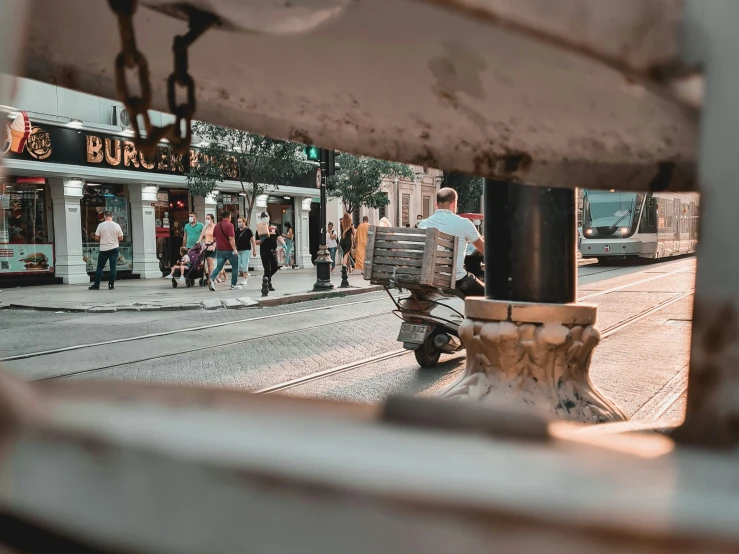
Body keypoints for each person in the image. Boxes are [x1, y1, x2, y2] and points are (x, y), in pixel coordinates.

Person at [418, 188, 485, 298]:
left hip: (430, 277)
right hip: (456, 280)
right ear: (454, 203)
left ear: (436, 205)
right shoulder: (463, 223)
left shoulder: (424, 224)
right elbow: (483, 249)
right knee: (490, 295)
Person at [89, 210, 123, 290]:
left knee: (100, 267)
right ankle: (111, 285)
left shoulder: (101, 225)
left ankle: (96, 285)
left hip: (103, 249)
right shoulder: (117, 225)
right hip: (114, 248)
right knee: (113, 267)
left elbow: (97, 238)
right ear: (112, 217)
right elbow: (121, 238)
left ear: (104, 216)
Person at [208, 210, 241, 291]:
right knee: (235, 267)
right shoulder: (230, 225)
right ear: (229, 217)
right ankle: (233, 285)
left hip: (219, 249)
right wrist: (235, 249)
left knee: (219, 266)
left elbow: (215, 238)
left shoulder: (216, 226)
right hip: (229, 250)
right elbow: (231, 238)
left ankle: (212, 278)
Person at [256, 212, 284, 291]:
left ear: (269, 217)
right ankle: (268, 284)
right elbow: (256, 242)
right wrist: (262, 239)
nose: (265, 218)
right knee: (267, 268)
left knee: (275, 267)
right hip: (264, 251)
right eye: (263, 217)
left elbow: (279, 237)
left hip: (273, 251)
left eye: (266, 216)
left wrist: (284, 244)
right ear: (261, 219)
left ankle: (266, 279)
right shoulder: (259, 229)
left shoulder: (273, 228)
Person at [236, 216, 256, 286]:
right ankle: (246, 274)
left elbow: (253, 241)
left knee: (244, 264)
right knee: (239, 265)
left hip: (246, 250)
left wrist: (254, 250)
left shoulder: (248, 231)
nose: (238, 223)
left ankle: (245, 278)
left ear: (244, 222)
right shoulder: (237, 230)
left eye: (240, 222)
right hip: (239, 250)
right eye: (238, 222)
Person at [198, 214, 217, 283]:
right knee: (204, 263)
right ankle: (208, 277)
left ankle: (211, 278)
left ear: (212, 219)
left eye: (208, 218)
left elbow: (217, 237)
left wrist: (212, 241)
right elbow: (202, 235)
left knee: (210, 263)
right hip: (205, 246)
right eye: (206, 218)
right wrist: (199, 240)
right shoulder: (205, 227)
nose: (207, 220)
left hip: (212, 246)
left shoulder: (215, 227)